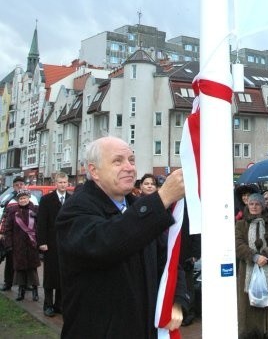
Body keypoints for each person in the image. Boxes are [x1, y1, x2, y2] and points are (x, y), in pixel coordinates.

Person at [56, 136, 189, 339]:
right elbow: (107, 243)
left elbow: (167, 259)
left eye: (131, 160)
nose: (129, 167)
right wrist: (162, 198)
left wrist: (176, 299)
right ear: (94, 171)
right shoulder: (75, 210)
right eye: (117, 161)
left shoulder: (137, 207)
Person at [235, 192, 268, 339]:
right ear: (247, 206)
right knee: (248, 305)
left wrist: (267, 255)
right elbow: (238, 245)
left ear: (263, 206)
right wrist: (254, 257)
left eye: (257, 204)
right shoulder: (240, 224)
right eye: (251, 204)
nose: (254, 207)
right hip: (247, 272)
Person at [36, 172, 70, 317]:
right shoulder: (46, 199)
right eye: (60, 182)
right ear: (55, 183)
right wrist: (42, 242)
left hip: (67, 244)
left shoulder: (72, 199)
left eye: (65, 182)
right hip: (50, 242)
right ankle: (48, 305)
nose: (63, 185)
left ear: (68, 183)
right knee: (50, 275)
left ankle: (59, 305)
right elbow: (41, 222)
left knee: (63, 274)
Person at [0, 175, 38, 292]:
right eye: (17, 185)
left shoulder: (33, 199)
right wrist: (1, 232)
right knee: (11, 261)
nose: (19, 186)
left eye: (21, 184)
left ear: (25, 185)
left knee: (28, 262)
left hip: (29, 238)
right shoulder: (8, 199)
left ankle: (26, 284)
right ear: (13, 187)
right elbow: (4, 216)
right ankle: (8, 283)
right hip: (14, 236)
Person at [3, 190, 41, 302]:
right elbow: (8, 230)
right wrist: (8, 244)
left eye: (25, 198)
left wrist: (37, 217)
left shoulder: (35, 210)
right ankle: (21, 291)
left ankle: (35, 291)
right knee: (20, 270)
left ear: (28, 198)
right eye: (21, 199)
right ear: (18, 200)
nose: (23, 200)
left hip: (32, 245)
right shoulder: (13, 212)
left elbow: (41, 226)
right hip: (18, 246)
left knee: (32, 270)